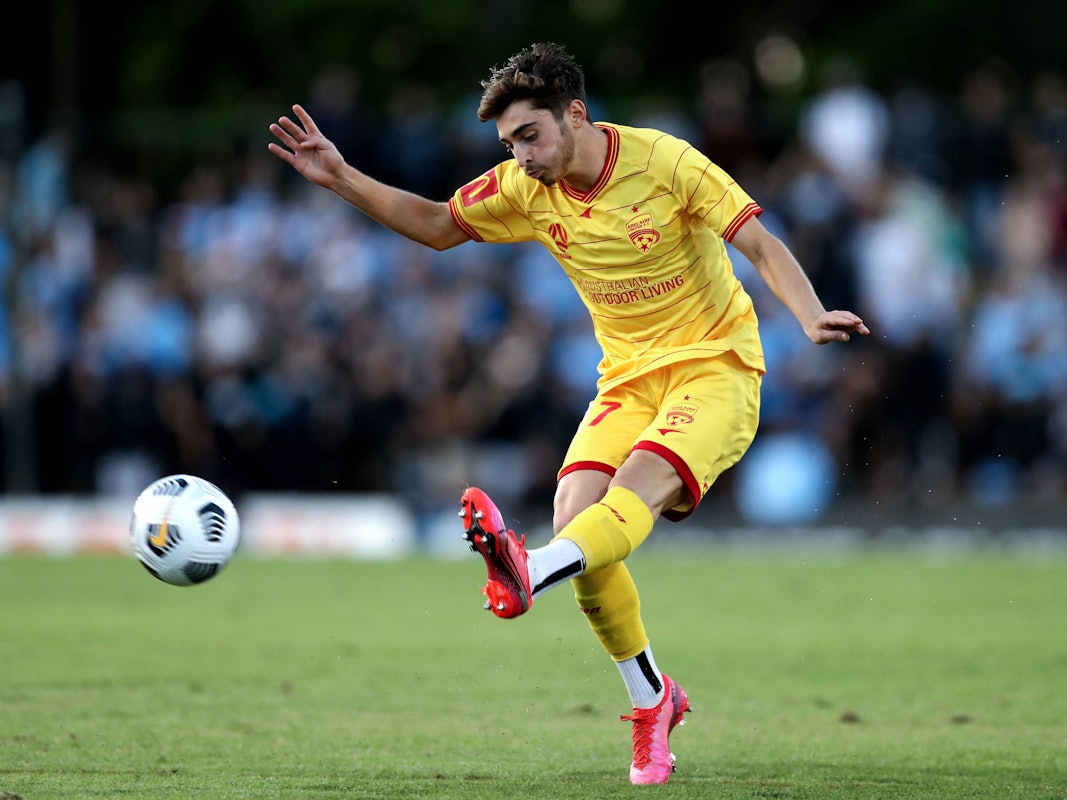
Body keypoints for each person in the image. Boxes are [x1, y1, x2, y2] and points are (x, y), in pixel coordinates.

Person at [268, 42, 869, 785]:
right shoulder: (526, 188)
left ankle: (528, 571)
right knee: (582, 527)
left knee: (625, 498)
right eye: (507, 144)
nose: (519, 157)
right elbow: (434, 224)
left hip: (714, 371)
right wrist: (341, 178)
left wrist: (808, 318)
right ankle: (652, 701)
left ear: (574, 116)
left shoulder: (665, 162)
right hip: (624, 383)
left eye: (529, 136)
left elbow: (758, 241)